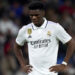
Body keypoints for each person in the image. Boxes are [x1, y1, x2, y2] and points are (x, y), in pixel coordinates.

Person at [14, 1, 75, 75]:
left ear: (43, 13)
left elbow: (71, 43)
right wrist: (23, 65)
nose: (34, 18)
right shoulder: (25, 29)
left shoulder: (55, 27)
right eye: (31, 15)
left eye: (36, 15)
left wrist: (64, 63)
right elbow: (16, 46)